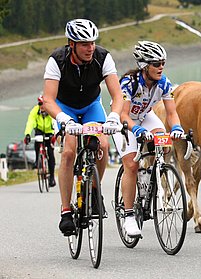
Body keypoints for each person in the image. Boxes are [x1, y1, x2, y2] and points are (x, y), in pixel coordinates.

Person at [42, 19, 124, 236]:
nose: (90, 48)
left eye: (92, 43)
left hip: (91, 107)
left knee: (103, 145)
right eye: (84, 44)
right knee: (68, 153)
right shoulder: (56, 61)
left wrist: (114, 116)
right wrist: (64, 120)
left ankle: (94, 192)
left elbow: (117, 95)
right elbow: (48, 100)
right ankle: (66, 210)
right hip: (64, 108)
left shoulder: (102, 57)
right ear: (72, 45)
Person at [112, 40, 184, 238]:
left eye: (163, 63)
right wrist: (135, 131)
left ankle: (149, 174)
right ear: (145, 65)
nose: (161, 67)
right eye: (156, 63)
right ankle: (128, 216)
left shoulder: (164, 83)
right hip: (123, 120)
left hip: (145, 116)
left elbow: (171, 112)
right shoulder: (129, 83)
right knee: (131, 165)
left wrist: (176, 127)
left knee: (165, 144)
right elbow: (124, 114)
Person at [23, 95, 57, 186]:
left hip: (50, 131)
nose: (41, 106)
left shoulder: (51, 110)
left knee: (50, 152)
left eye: (43, 104)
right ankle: (37, 159)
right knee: (37, 142)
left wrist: (55, 134)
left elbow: (55, 122)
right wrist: (27, 134)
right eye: (40, 104)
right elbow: (30, 122)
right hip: (39, 130)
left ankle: (52, 177)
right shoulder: (35, 111)